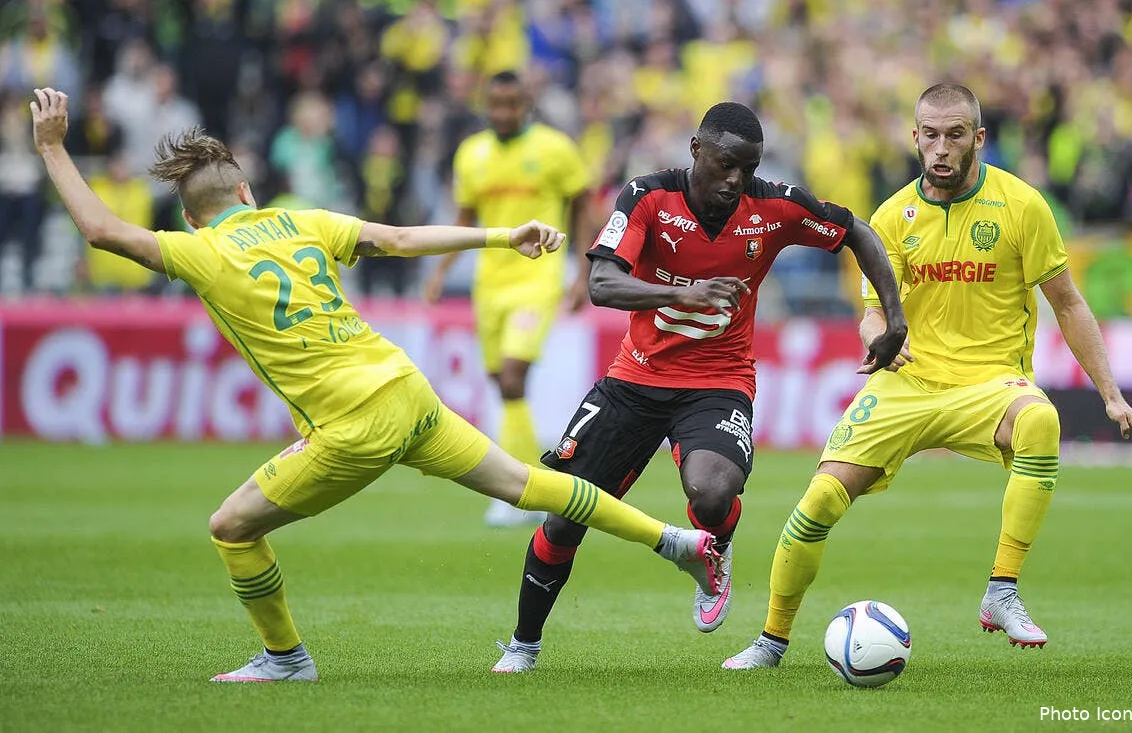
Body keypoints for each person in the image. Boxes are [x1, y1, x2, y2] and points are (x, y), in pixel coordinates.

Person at [28, 87, 724, 683]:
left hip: (354, 425)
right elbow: (396, 238)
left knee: (232, 528)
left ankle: (285, 658)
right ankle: (678, 543)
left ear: (190, 215)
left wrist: (54, 146)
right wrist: (502, 235)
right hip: (404, 387)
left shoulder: (197, 250)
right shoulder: (302, 222)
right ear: (247, 193)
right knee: (523, 483)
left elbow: (99, 230)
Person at [723, 83, 1132, 670]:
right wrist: (874, 335)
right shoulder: (891, 215)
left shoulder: (1023, 205)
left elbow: (1069, 303)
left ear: (978, 137)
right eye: (930, 136)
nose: (942, 149)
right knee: (820, 501)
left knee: (1041, 421)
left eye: (955, 135)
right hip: (907, 381)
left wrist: (1111, 395)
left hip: (989, 383)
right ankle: (771, 641)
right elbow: (874, 308)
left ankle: (1002, 590)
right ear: (915, 138)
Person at [490, 101, 908, 673]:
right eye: (727, 164)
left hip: (719, 381)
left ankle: (717, 547)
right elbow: (603, 283)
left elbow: (857, 230)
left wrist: (894, 319)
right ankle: (524, 644)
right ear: (696, 151)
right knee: (564, 515)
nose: (737, 180)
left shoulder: (774, 206)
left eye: (749, 167)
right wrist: (680, 294)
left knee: (711, 494)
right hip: (633, 380)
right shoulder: (647, 198)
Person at [423, 71, 596, 528]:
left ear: (526, 104)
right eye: (495, 105)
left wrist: (583, 270)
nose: (503, 113)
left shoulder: (554, 149)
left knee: (514, 377)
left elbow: (582, 204)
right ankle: (527, 481)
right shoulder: (472, 154)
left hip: (538, 279)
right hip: (490, 284)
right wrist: (440, 269)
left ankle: (523, 488)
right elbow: (464, 217)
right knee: (502, 382)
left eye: (512, 105)